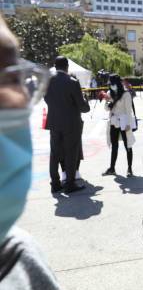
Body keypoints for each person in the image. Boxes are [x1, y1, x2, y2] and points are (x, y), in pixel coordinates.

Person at [0, 14, 73, 290]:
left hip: (54, 127)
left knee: (58, 159)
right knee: (69, 159)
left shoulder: (23, 256)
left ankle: (58, 182)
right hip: (70, 128)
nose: (12, 100)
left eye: (13, 79)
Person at [44, 56, 90, 194]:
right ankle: (70, 184)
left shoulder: (47, 81)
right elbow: (83, 107)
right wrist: (85, 101)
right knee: (71, 153)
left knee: (54, 153)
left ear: (55, 66)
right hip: (71, 124)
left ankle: (55, 184)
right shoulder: (72, 82)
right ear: (67, 66)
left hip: (54, 122)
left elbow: (45, 98)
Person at [102, 74, 136, 177]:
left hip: (124, 122)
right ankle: (112, 168)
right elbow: (106, 108)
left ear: (117, 83)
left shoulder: (126, 94)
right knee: (114, 146)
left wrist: (128, 125)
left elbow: (128, 110)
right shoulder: (109, 93)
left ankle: (129, 168)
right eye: (110, 84)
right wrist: (108, 102)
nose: (111, 86)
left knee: (128, 145)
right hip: (113, 122)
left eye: (112, 84)